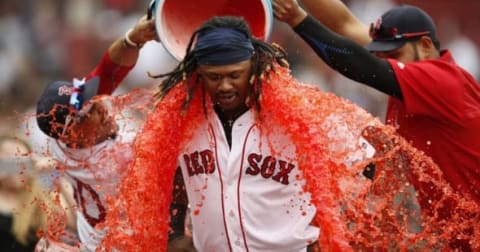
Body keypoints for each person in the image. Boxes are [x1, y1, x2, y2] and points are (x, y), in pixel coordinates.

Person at [99, 15, 419, 251]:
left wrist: (341, 230)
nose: (224, 85)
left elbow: (374, 158)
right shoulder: (183, 123)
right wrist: (174, 237)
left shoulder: (296, 116)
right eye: (213, 77)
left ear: (253, 69)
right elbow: (171, 180)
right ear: (198, 75)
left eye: (234, 75)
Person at [271, 0, 480, 249]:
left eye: (392, 54)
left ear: (424, 45)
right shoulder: (412, 77)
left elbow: (360, 65)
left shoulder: (443, 81)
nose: (386, 61)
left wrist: (298, 20)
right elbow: (345, 25)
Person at [34, 15, 159, 251]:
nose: (101, 106)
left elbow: (106, 72)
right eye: (87, 112)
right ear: (71, 134)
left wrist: (132, 39)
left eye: (88, 100)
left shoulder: (63, 143)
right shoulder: (117, 158)